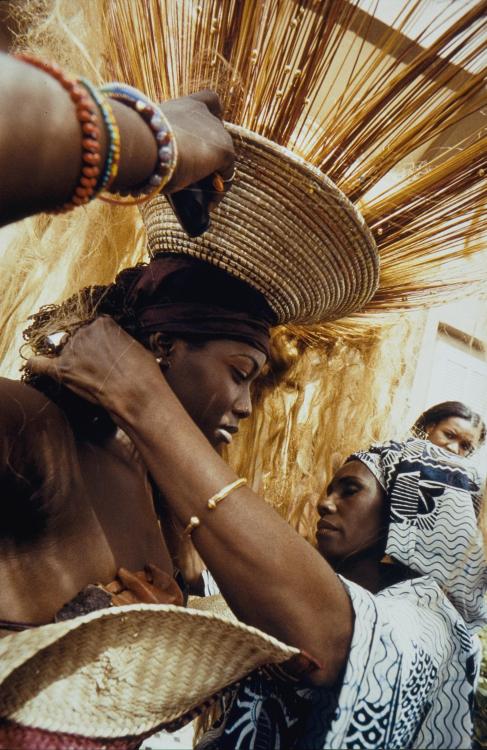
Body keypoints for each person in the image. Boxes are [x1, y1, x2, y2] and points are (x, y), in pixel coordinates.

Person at [27, 320, 487, 749]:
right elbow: (237, 611)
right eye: (330, 488)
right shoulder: (333, 592)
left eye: (351, 491)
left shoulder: (435, 627)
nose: (325, 504)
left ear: (403, 515)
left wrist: (143, 400)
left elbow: (329, 641)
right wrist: (184, 612)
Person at [413, 401, 486, 458]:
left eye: (465, 446)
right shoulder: (402, 455)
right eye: (449, 435)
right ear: (430, 427)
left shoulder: (464, 476)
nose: (453, 449)